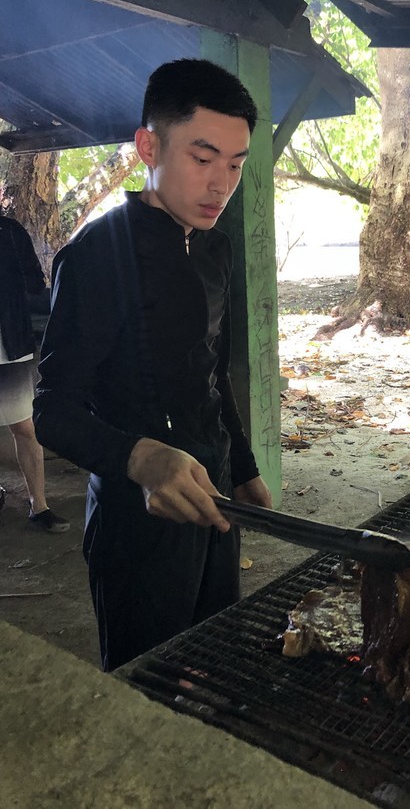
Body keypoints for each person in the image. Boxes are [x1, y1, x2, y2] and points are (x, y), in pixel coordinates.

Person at [34, 58, 272, 671]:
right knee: (149, 681)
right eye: (203, 158)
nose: (221, 184)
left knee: (216, 666)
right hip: (135, 520)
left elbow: (213, 375)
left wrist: (243, 468)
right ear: (148, 147)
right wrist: (140, 458)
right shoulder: (96, 256)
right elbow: (53, 410)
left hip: (215, 498)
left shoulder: (216, 247)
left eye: (236, 164)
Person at [0, 213, 70, 533]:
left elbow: (34, 282)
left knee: (24, 427)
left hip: (9, 341)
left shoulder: (9, 230)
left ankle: (39, 506)